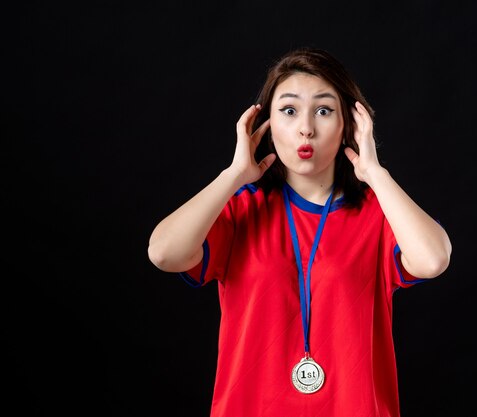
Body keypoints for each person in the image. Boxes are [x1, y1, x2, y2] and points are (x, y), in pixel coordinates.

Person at [148, 46, 452, 417]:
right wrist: (233, 176)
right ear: (268, 126)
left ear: (348, 127)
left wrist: (375, 174)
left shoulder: (379, 212)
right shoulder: (241, 209)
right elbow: (163, 253)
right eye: (289, 111)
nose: (306, 127)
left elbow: (433, 259)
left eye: (323, 111)